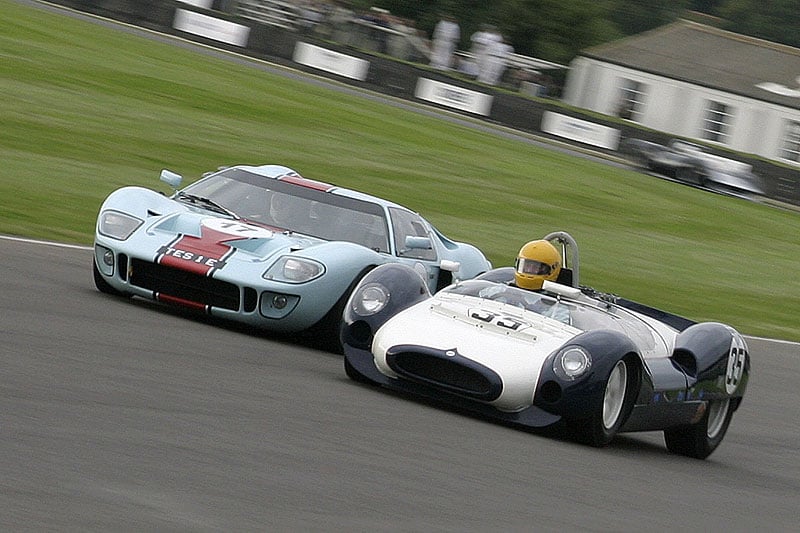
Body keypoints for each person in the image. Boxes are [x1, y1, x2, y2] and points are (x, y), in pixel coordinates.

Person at [513, 239, 571, 324]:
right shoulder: (499, 289)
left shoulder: (557, 307)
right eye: (526, 266)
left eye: (536, 268)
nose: (529, 270)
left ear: (552, 270)